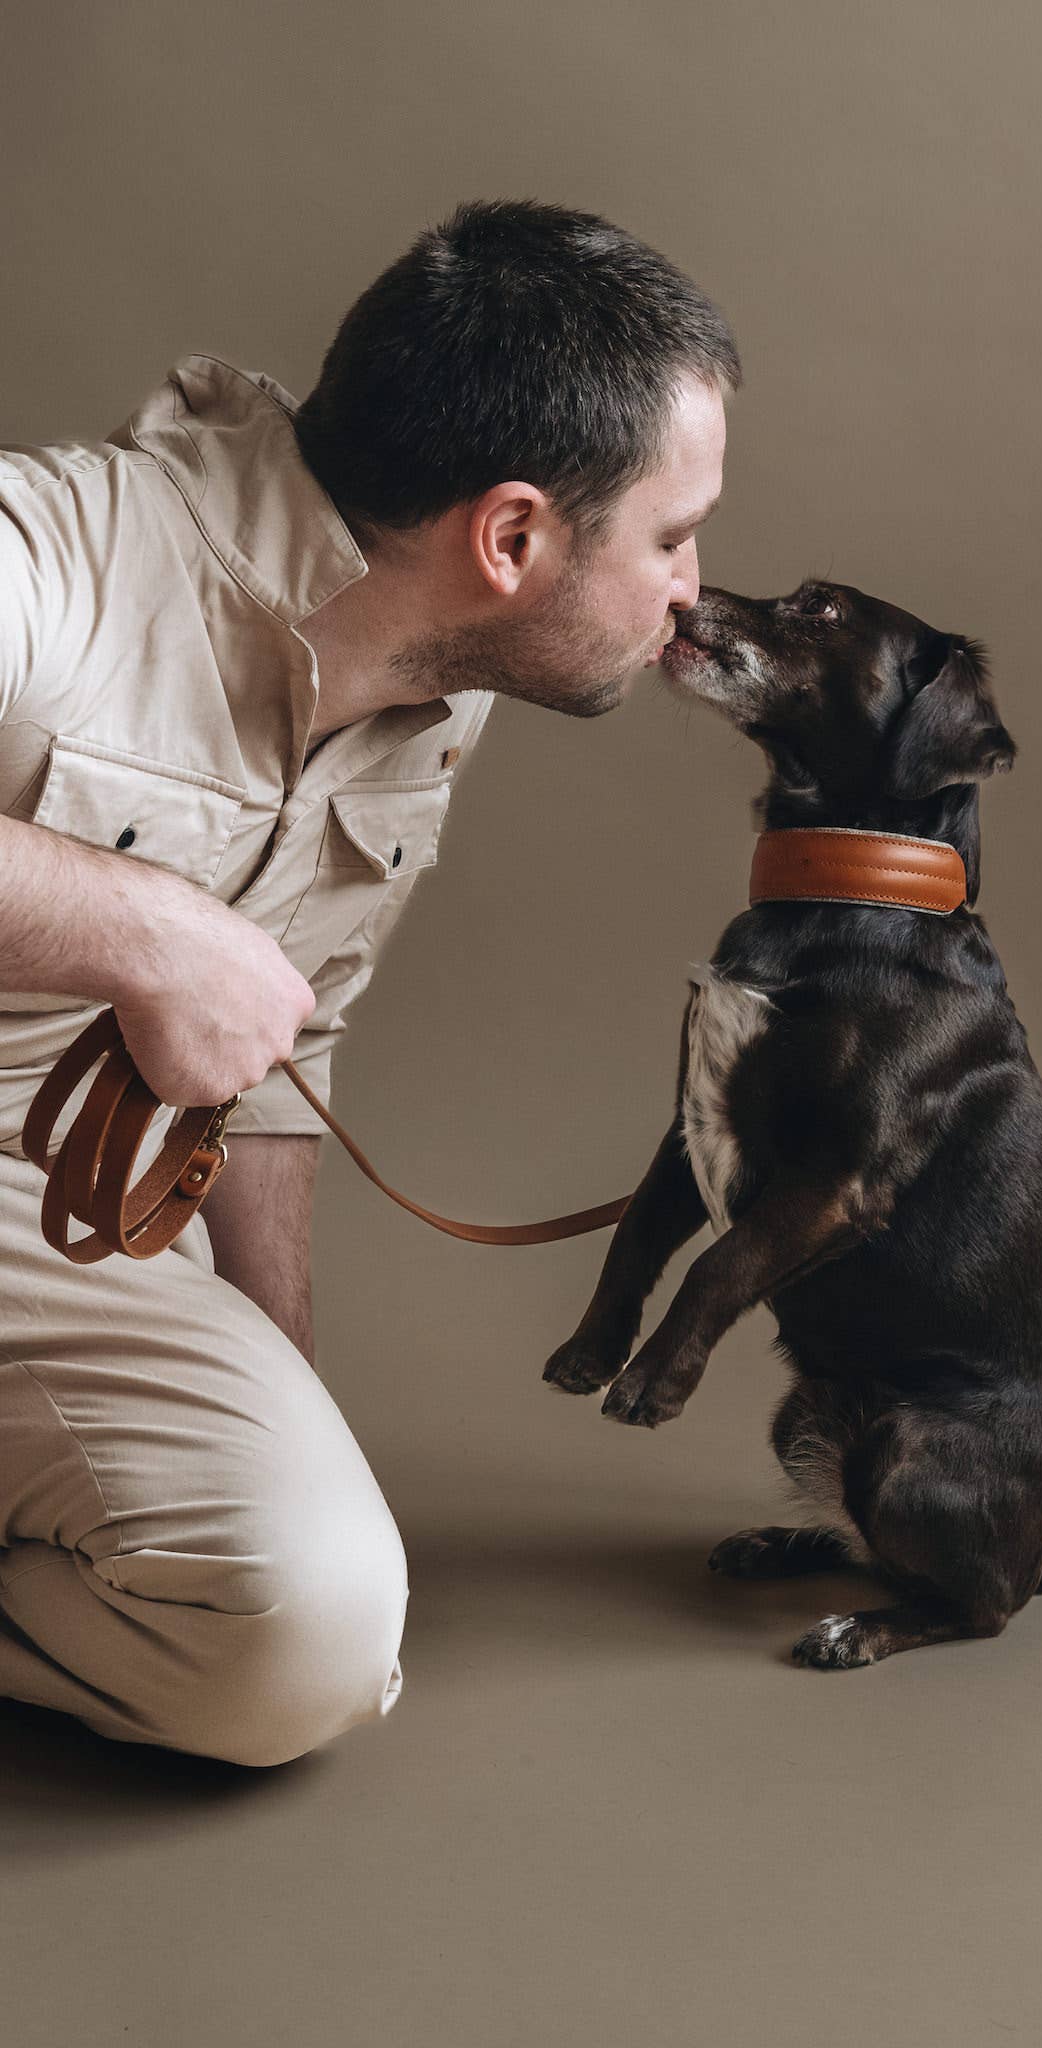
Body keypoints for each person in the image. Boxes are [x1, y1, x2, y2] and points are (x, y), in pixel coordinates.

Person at [0, 200, 738, 1767]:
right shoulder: (54, 552)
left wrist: (283, 1413)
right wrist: (145, 930)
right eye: (671, 536)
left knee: (311, 1625)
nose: (691, 588)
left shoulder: (434, 685)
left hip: (51, 1240)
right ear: (515, 537)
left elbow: (271, 1066)